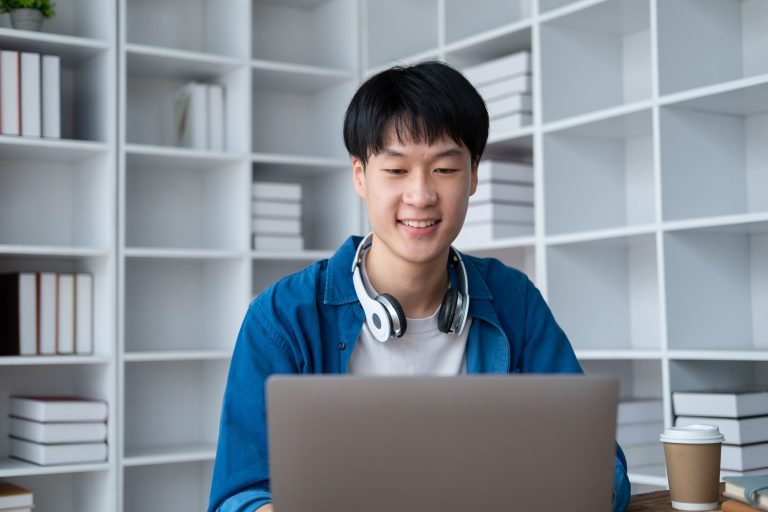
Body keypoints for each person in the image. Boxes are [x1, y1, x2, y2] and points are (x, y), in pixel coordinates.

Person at [207, 61, 631, 512]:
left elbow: (603, 471)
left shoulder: (515, 301)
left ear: (473, 176)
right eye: (396, 170)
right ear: (359, 175)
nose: (421, 195)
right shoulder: (281, 317)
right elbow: (238, 495)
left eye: (445, 169)